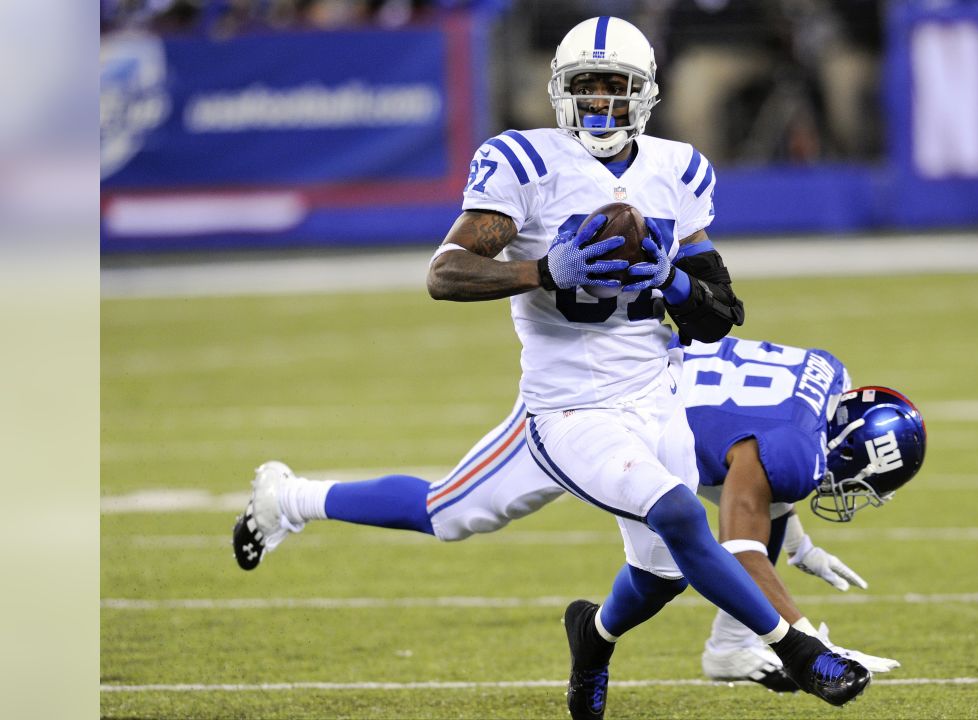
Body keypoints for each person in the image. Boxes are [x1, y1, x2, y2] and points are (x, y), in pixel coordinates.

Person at [239, 15, 868, 717]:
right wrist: (542, 269)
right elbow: (445, 274)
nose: (600, 104)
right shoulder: (526, 164)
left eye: (615, 88)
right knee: (676, 519)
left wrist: (676, 282)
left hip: (654, 395)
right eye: (586, 89)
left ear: (646, 94)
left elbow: (718, 317)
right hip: (567, 406)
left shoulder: (677, 170)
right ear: (561, 93)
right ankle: (803, 655)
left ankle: (591, 638)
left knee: (649, 573)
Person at [231, 335, 928, 692]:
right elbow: (743, 541)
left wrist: (794, 535)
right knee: (448, 511)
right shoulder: (796, 454)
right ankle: (289, 498)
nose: (845, 490)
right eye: (856, 476)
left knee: (664, 571)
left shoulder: (825, 377)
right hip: (591, 410)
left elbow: (753, 449)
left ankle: (713, 646)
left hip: (653, 427)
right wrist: (805, 640)